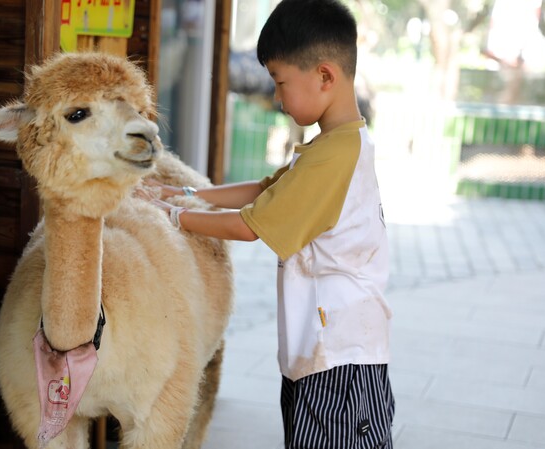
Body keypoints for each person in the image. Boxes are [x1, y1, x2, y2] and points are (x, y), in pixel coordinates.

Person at [139, 0, 395, 447]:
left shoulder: (335, 156)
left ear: (325, 75)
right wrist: (183, 193)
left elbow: (251, 225)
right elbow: (264, 190)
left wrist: (172, 216)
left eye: (280, 82)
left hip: (338, 359)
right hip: (324, 352)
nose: (276, 98)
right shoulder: (335, 145)